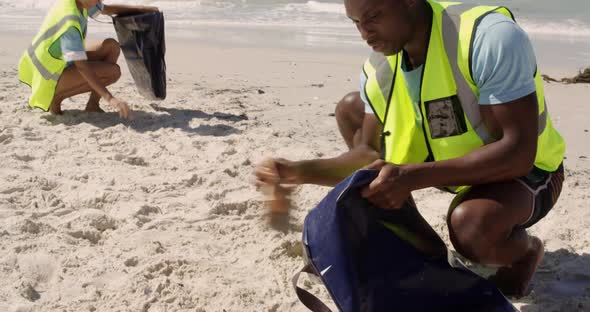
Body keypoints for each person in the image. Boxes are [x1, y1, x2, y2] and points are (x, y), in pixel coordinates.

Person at [256, 0, 566, 298]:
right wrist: (297, 171)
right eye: (356, 23)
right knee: (351, 109)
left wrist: (411, 177)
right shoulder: (381, 67)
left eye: (373, 16)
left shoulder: (488, 37)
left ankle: (525, 253)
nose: (365, 34)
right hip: (452, 165)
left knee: (472, 225)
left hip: (531, 171)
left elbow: (518, 153)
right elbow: (366, 155)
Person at [18, 0, 158, 118]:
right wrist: (111, 99)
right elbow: (82, 67)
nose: (99, 1)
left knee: (111, 47)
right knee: (113, 72)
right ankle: (55, 99)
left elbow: (106, 9)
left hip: (61, 62)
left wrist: (142, 9)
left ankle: (92, 105)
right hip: (48, 79)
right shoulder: (69, 21)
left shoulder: (79, 2)